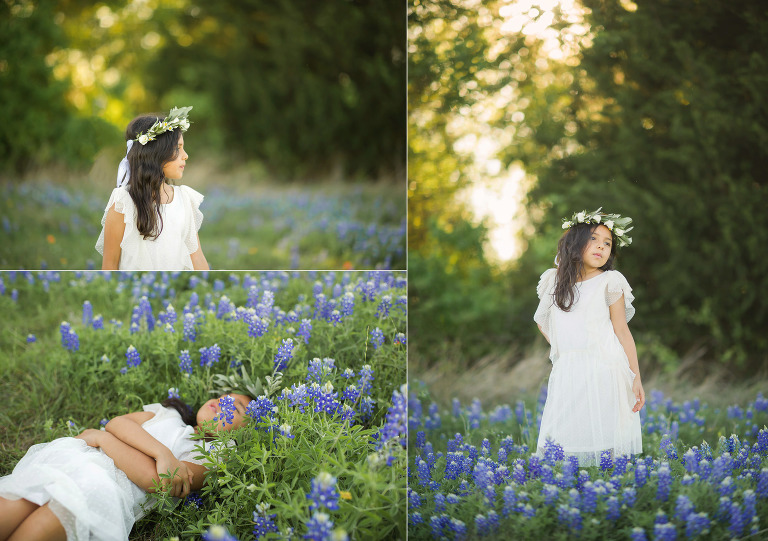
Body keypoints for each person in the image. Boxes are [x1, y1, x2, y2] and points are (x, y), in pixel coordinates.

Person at [0, 393, 252, 541]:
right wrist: (161, 453)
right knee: (16, 503)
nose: (223, 402)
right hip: (70, 461)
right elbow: (117, 424)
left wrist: (102, 439)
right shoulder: (168, 414)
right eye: (223, 396)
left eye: (235, 408)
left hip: (101, 488)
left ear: (243, 433)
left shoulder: (214, 457)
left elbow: (153, 480)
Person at [533, 208, 645, 466]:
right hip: (569, 369)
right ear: (575, 243)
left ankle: (606, 492)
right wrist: (570, 349)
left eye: (607, 243)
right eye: (593, 239)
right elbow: (543, 322)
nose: (601, 247)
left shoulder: (610, 281)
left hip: (607, 367)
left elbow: (622, 331)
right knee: (563, 439)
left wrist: (635, 376)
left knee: (607, 439)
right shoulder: (555, 281)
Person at [95, 106, 210, 270]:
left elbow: (197, 257)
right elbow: (110, 265)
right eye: (178, 148)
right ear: (157, 153)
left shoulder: (185, 199)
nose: (185, 155)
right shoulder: (123, 201)